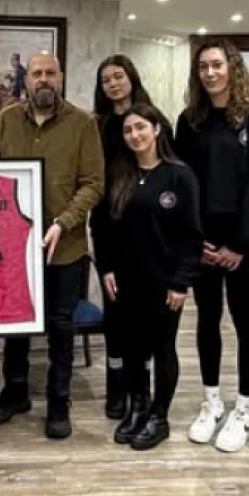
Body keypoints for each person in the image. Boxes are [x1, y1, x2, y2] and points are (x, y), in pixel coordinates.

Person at [0, 52, 105, 439]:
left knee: (61, 325)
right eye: (36, 73)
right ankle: (15, 392)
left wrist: (62, 223)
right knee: (15, 322)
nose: (43, 79)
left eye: (50, 73)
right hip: (14, 248)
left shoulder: (83, 123)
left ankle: (58, 399)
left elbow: (93, 184)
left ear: (61, 78)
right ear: (26, 80)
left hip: (64, 247)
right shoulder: (6, 120)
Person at [174, 38, 249, 452]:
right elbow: (182, 180)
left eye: (217, 64)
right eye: (203, 67)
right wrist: (195, 238)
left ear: (232, 67)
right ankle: (212, 401)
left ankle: (244, 407)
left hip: (242, 241)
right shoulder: (189, 120)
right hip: (202, 238)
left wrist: (238, 243)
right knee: (207, 318)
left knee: (244, 319)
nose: (210, 72)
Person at [90, 104, 201, 450]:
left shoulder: (180, 176)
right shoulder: (117, 174)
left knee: (162, 347)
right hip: (125, 280)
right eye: (128, 130)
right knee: (132, 348)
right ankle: (137, 406)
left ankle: (159, 416)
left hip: (164, 282)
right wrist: (106, 268)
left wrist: (181, 281)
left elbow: (191, 236)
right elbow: (101, 227)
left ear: (156, 129)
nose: (134, 135)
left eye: (140, 127)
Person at [92, 54, 156, 420]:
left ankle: (140, 389)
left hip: (146, 232)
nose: (113, 84)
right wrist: (105, 262)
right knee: (115, 316)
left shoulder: (152, 120)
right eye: (106, 80)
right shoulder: (96, 126)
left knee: (144, 320)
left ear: (131, 77)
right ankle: (116, 387)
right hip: (109, 227)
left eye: (118, 76)